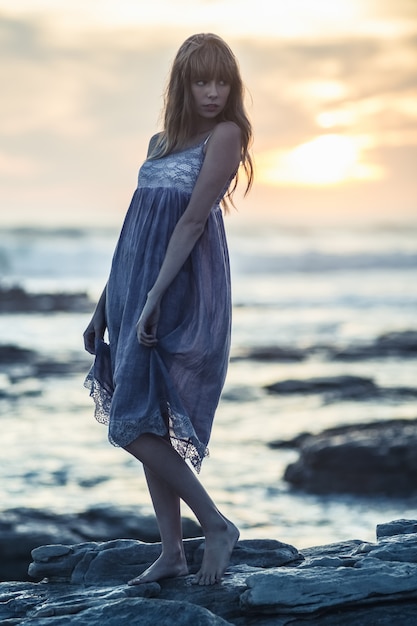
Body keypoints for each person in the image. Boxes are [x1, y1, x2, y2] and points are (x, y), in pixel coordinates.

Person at [83, 33, 254, 586]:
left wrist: (155, 298)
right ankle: (173, 552)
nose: (212, 91)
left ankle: (216, 525)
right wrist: (105, 305)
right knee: (147, 418)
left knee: (130, 424)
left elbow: (193, 221)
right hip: (136, 286)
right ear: (182, 83)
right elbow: (133, 232)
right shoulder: (159, 143)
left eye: (221, 80)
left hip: (182, 288)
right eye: (201, 80)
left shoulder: (226, 135)